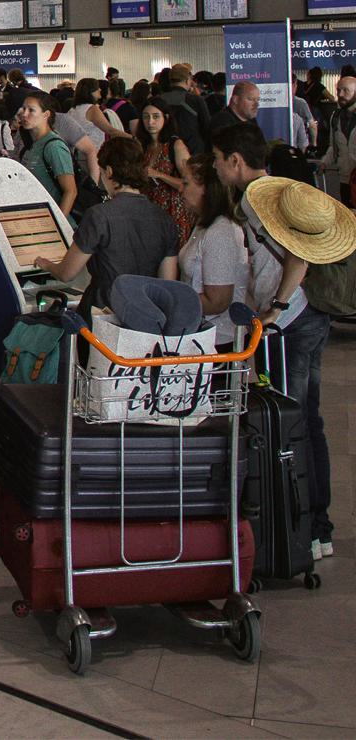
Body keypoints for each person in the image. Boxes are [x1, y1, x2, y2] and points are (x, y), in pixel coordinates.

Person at [211, 123, 341, 560]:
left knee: (292, 424)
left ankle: (301, 528)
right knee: (308, 421)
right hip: (313, 315)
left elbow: (297, 253)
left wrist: (277, 308)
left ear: (235, 160)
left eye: (216, 159)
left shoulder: (255, 199)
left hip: (294, 321)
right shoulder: (279, 190)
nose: (214, 167)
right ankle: (317, 528)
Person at [34, 137, 178, 326]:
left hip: (102, 313)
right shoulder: (164, 219)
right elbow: (167, 281)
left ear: (109, 171)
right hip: (146, 316)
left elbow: (67, 273)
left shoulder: (98, 215)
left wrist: (45, 264)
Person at [177, 153, 248, 348]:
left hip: (217, 339)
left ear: (206, 190)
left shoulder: (220, 232)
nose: (181, 189)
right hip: (199, 334)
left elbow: (218, 301)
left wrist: (173, 302)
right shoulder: (204, 224)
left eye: (186, 183)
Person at [136, 96, 196, 248]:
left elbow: (189, 183)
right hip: (151, 212)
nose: (150, 122)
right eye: (146, 117)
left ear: (166, 118)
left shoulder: (176, 145)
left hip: (174, 212)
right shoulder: (144, 146)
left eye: (156, 117)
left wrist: (159, 175)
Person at [18, 92, 77, 224]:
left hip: (52, 226)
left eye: (31, 110)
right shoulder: (31, 144)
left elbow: (71, 191)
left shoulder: (54, 146)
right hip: (37, 222)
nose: (24, 114)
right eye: (24, 109)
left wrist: (58, 225)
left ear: (46, 114)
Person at [321, 76, 356, 206]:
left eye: (345, 90)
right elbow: (333, 147)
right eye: (338, 90)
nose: (340, 94)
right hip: (344, 179)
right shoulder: (335, 117)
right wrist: (324, 162)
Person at [67, 78, 128, 150]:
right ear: (90, 91)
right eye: (97, 88)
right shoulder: (92, 109)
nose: (100, 89)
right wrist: (132, 137)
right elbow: (110, 130)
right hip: (93, 151)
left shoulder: (72, 110)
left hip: (77, 152)